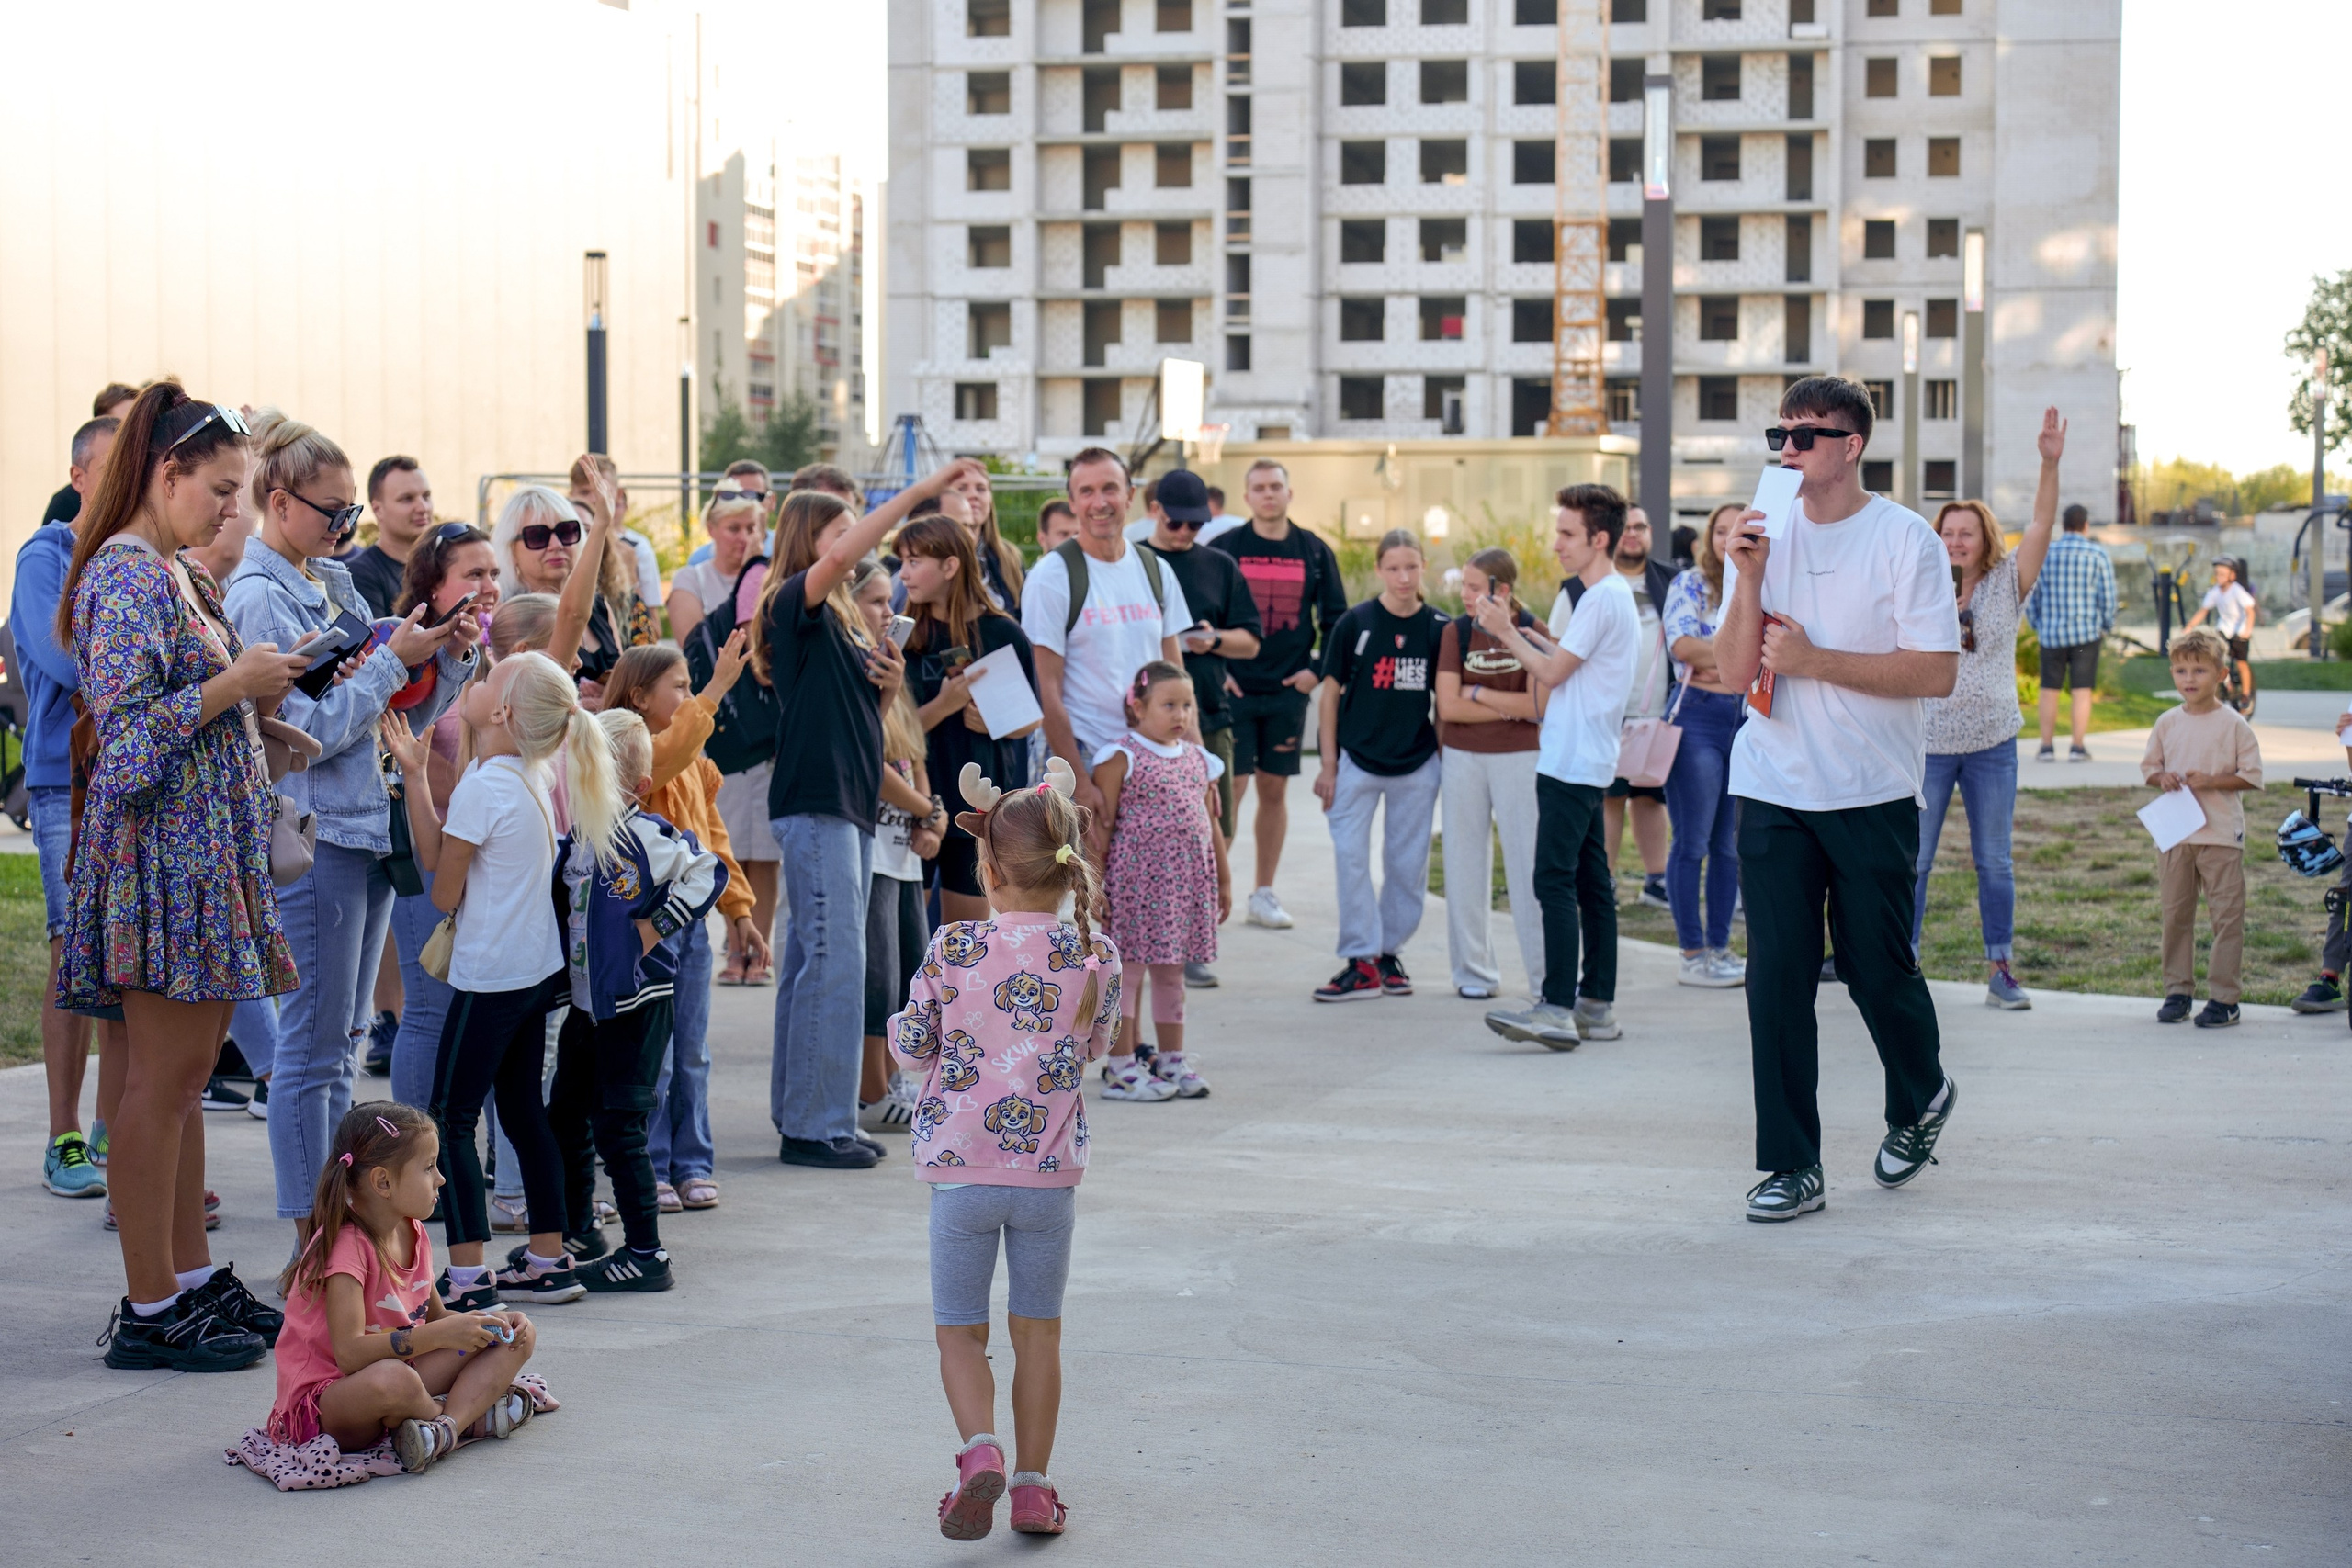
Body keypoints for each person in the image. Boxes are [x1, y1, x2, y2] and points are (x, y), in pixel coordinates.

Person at [62, 385, 309, 1371]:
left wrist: (257, 711)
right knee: (160, 1085)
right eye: (220, 489)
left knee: (186, 1081)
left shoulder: (169, 571)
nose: (230, 509)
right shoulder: (126, 578)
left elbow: (180, 709)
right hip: (161, 870)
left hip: (198, 868)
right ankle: (150, 1303)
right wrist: (232, 687)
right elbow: (123, 749)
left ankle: (192, 1278)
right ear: (167, 473)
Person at [1710, 374, 1962, 1224]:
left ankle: (1921, 1094)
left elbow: (1935, 670)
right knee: (1776, 978)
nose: (1787, 450)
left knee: (1874, 966)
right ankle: (1792, 1164)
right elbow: (1734, 672)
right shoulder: (1763, 528)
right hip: (1772, 783)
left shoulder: (1903, 538)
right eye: (1778, 436)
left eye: (1805, 436)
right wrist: (1747, 579)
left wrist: (1815, 661)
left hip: (1870, 788)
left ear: (1850, 446)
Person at [225, 412, 475, 1240]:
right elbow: (305, 730)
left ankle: (337, 1238)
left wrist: (445, 661)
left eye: (350, 514)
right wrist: (393, 662)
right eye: (333, 512)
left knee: (344, 1042)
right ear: (278, 502)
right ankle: (313, 1244)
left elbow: (387, 721)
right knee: (312, 1050)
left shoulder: (332, 582)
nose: (345, 527)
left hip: (363, 828)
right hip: (316, 834)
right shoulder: (258, 595)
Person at [887, 763, 1118, 1541]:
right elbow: (1098, 1044)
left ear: (986, 870)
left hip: (960, 1174)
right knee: (1038, 1333)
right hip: (1047, 1181)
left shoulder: (954, 944)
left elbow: (912, 1048)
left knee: (960, 1331)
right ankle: (1031, 1487)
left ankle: (979, 1448)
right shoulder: (1096, 952)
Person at [752, 463, 978, 1171]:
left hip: (843, 801)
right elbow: (846, 556)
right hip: (816, 802)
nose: (855, 543)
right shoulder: (794, 601)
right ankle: (817, 1124)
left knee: (815, 964)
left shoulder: (843, 626)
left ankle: (804, 1112)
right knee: (834, 963)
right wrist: (918, 494)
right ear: (810, 543)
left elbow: (864, 734)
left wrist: (887, 687)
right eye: (841, 532)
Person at [390, 649, 625, 1306]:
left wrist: (416, 784)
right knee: (523, 1110)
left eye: (490, 676)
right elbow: (447, 858)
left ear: (501, 710)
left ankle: (468, 1277)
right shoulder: (527, 773)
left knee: (450, 1118)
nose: (478, 676)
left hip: (491, 977)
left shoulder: (484, 786)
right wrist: (416, 776)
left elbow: (442, 890)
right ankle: (548, 1259)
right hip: (532, 972)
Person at [541, 708, 727, 1293]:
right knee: (565, 1116)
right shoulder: (576, 841)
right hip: (585, 1007)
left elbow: (709, 871)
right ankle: (580, 1231)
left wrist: (656, 925)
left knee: (620, 1129)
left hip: (637, 1006)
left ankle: (646, 1254)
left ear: (638, 786)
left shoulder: (646, 835)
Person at [266, 1101, 538, 1472]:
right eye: (428, 1167)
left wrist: (486, 1324)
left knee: (515, 1335)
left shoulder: (414, 1231)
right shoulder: (346, 1248)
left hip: (401, 1370)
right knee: (395, 1380)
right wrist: (441, 1334)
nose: (440, 1178)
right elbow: (349, 1355)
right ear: (383, 1182)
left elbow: (436, 1319)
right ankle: (469, 1416)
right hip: (330, 1402)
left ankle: (446, 1429)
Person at [594, 640, 765, 1208]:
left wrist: (739, 910)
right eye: (682, 687)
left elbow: (714, 840)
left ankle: (693, 1162)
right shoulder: (633, 753)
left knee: (692, 1050)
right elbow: (664, 752)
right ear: (640, 697)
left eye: (693, 687)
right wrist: (715, 690)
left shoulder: (693, 758)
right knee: (655, 1053)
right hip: (645, 926)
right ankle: (652, 1164)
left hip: (689, 926)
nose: (691, 696)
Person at [1914, 410, 2068, 1011]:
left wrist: (2049, 463)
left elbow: (2042, 522)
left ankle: (2001, 967)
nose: (1955, 541)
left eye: (1966, 533)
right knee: (1914, 862)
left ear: (1984, 538)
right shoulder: (1919, 584)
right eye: (1947, 532)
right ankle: (1901, 959)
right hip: (1927, 743)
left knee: (1994, 861)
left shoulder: (2008, 581)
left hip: (1992, 744)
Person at [1478, 488, 1640, 1047]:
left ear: (1600, 539)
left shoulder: (1600, 598)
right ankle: (1595, 1006)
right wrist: (1544, 641)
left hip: (1572, 761)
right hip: (1587, 758)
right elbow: (1572, 666)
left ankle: (1555, 1007)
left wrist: (1504, 631)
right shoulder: (1611, 596)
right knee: (1592, 883)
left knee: (1554, 878)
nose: (1557, 545)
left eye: (1568, 534)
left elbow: (1552, 677)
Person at [17, 414, 122, 1198]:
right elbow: (63, 658)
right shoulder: (46, 555)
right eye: (115, 464)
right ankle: (65, 1137)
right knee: (71, 953)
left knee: (126, 960)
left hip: (131, 775)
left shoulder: (147, 559)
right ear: (79, 476)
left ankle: (121, 1129)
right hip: (64, 779)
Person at [379, 528, 503, 1117]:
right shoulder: (410, 656)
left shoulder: (488, 654)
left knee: (477, 1010)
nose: (489, 586)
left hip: (485, 857)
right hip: (427, 851)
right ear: (433, 586)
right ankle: (416, 1155)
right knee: (430, 1009)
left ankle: (454, 1151)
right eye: (473, 575)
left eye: (494, 573)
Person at [1212, 459, 1348, 930]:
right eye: (1259, 488)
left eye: (1276, 486)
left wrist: (1316, 671)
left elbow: (1338, 623)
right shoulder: (1226, 548)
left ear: (1290, 493)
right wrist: (1217, 673)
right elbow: (1200, 616)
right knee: (1229, 791)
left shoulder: (1314, 551)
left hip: (1288, 691)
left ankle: (1263, 893)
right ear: (1246, 497)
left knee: (1274, 789)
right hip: (1233, 690)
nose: (1268, 494)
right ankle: (1209, 893)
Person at [1309, 530, 1445, 1002]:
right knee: (1351, 860)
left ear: (1424, 567)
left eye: (1411, 567)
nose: (1403, 577)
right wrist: (1329, 765)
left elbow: (1445, 700)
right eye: (1393, 568)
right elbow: (1329, 696)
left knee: (1407, 865)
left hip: (1416, 762)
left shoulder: (1438, 627)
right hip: (1357, 759)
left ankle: (1388, 953)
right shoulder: (1356, 623)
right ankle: (1360, 960)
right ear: (1379, 570)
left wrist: (1442, 758)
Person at [1022, 449, 1193, 818]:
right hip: (1083, 753)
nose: (1099, 502)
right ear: (1072, 503)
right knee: (1075, 859)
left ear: (1130, 495)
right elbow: (1046, 690)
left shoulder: (1157, 570)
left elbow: (1178, 679)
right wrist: (1079, 782)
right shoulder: (1051, 577)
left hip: (1149, 755)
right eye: (1086, 491)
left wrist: (1196, 761)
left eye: (1110, 489)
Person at [1143, 469, 1261, 985]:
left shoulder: (1219, 566)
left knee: (1215, 827)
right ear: (1153, 510)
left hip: (1209, 714)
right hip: (1146, 725)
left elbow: (1250, 641)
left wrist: (1212, 641)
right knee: (1148, 836)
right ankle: (1149, 933)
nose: (1185, 533)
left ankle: (1191, 936)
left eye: (1195, 525)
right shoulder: (1136, 565)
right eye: (1176, 523)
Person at [1093, 661, 1231, 1097]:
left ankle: (1172, 1061)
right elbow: (1101, 829)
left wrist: (1225, 881)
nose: (1181, 715)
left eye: (1187, 706)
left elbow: (1210, 823)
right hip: (1135, 887)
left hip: (1184, 887)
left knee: (1173, 975)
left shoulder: (1199, 759)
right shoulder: (1121, 756)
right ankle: (1121, 1066)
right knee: (1127, 975)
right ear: (1138, 707)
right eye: (1169, 705)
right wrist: (1094, 884)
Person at [900, 514, 1043, 923]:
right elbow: (885, 735)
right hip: (915, 804)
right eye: (903, 561)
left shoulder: (1002, 632)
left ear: (950, 566)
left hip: (979, 805)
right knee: (908, 939)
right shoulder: (904, 636)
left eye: (914, 561)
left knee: (965, 939)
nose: (903, 573)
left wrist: (996, 722)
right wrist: (944, 705)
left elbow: (1030, 719)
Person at [667, 488, 781, 983]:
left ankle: (760, 952)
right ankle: (734, 950)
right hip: (720, 731)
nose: (744, 538)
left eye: (752, 528)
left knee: (766, 852)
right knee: (727, 843)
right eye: (734, 528)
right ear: (712, 530)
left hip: (769, 732)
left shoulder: (772, 576)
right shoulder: (692, 579)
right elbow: (694, 646)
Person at [848, 559, 946, 1134]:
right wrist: (925, 810)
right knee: (877, 976)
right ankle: (869, 1091)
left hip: (904, 853)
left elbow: (913, 753)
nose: (890, 612)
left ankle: (890, 1082)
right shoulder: (852, 671)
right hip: (874, 851)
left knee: (908, 972)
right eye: (877, 601)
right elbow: (871, 760)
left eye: (891, 601)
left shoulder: (894, 670)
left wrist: (931, 817)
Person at [1433, 547, 1546, 1003]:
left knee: (1529, 866)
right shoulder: (1456, 633)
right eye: (1464, 585)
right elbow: (1448, 706)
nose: (1465, 594)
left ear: (1503, 589)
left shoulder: (1533, 631)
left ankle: (1544, 978)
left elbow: (1538, 706)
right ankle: (1474, 972)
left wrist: (1477, 691)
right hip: (1462, 757)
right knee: (1463, 864)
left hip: (1522, 758)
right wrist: (1510, 707)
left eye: (1475, 587)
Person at [2142, 627, 2263, 1028]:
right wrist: (2163, 778)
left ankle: (2224, 999)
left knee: (2226, 916)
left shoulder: (2234, 725)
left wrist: (2211, 781)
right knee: (2176, 914)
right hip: (2176, 834)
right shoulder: (2167, 722)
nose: (2189, 679)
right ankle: (2178, 991)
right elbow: (2150, 769)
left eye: (2199, 671)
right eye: (2181, 671)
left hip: (2221, 835)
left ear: (2221, 675)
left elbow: (2251, 777)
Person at [1555, 506, 1676, 908]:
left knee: (1651, 797)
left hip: (1659, 711)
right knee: (1609, 798)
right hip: (1604, 715)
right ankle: (1601, 878)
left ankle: (1656, 880)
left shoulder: (1670, 581)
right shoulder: (1579, 588)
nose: (1633, 534)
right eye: (1627, 527)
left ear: (1650, 532)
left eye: (1641, 527)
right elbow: (1557, 650)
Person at [1660, 504, 1748, 987]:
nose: (1728, 537)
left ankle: (1719, 947)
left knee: (1729, 845)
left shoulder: (1757, 585)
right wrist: (1737, 656)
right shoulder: (1690, 584)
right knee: (1692, 841)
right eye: (1721, 529)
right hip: (1697, 716)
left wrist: (1721, 660)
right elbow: (1683, 647)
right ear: (1709, 537)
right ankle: (1692, 954)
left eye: (1739, 529)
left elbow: (1767, 652)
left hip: (1743, 720)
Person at [2023, 502, 2117, 761]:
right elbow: (2108, 597)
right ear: (2085, 525)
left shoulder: (2047, 553)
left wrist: (2038, 624)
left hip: (2051, 633)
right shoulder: (2097, 555)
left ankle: (2046, 747)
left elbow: (2032, 593)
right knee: (2081, 690)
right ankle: (2077, 747)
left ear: (2063, 525)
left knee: (2048, 690)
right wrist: (2105, 625)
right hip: (2086, 634)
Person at [570, 454, 666, 634]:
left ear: (618, 494)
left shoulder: (637, 547)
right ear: (571, 495)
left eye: (601, 490)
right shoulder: (561, 544)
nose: (595, 499)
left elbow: (653, 632)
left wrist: (629, 579)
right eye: (584, 492)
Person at [344, 457, 435, 619]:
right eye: (407, 499)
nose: (423, 508)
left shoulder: (440, 565)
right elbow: (376, 636)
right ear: (378, 509)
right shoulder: (359, 575)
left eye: (426, 496)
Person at [41, 382, 138, 527]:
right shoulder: (65, 504)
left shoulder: (149, 494)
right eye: (120, 427)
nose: (133, 437)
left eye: (139, 427)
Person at [947, 463, 1027, 615]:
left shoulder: (1010, 557)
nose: (973, 495)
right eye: (962, 488)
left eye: (981, 489)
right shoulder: (932, 556)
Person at [2186, 557, 2258, 715]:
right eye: (2217, 574)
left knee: (2241, 663)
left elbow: (2250, 611)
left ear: (2232, 575)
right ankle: (2222, 684)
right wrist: (2190, 626)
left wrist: (2247, 631)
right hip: (2223, 629)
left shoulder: (2237, 591)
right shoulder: (2215, 592)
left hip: (2239, 631)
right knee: (2215, 657)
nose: (2219, 577)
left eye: (2222, 574)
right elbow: (2204, 610)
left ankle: (2246, 695)